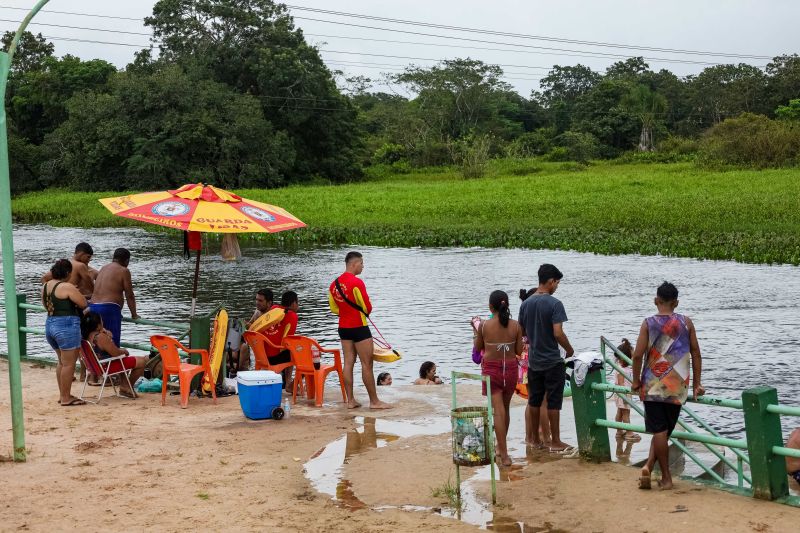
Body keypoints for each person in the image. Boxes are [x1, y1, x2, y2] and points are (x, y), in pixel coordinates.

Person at [632, 281, 704, 491]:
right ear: (676, 303)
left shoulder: (648, 323)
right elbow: (696, 353)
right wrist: (697, 384)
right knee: (664, 431)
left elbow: (637, 355)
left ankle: (665, 477)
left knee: (659, 431)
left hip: (652, 384)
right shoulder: (686, 322)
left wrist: (635, 381)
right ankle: (649, 467)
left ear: (656, 301)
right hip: (677, 385)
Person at [518, 264, 574, 453]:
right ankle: (555, 441)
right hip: (552, 360)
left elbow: (522, 332)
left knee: (534, 400)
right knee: (553, 401)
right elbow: (558, 333)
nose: (556, 286)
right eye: (557, 283)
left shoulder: (526, 304)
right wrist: (570, 349)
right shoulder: (555, 304)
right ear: (551, 281)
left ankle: (535, 439)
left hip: (534, 362)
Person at [328, 251, 391, 410]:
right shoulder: (356, 282)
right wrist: (357, 312)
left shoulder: (333, 284)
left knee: (348, 362)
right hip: (359, 327)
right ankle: (374, 402)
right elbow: (367, 307)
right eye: (361, 263)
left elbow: (334, 308)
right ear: (354, 264)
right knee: (366, 364)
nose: (363, 266)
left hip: (343, 327)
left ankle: (350, 401)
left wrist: (346, 312)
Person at [474, 290, 524, 467]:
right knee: (505, 409)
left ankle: (504, 454)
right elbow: (519, 351)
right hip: (510, 369)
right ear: (507, 305)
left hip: (492, 370)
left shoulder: (484, 326)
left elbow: (478, 348)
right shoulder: (516, 326)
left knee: (497, 411)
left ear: (490, 307)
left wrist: (475, 331)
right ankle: (500, 448)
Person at [43, 259, 88, 406]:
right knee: (69, 364)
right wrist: (76, 291)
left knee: (61, 362)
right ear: (68, 273)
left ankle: (63, 394)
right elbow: (83, 303)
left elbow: (46, 305)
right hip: (66, 326)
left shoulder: (46, 285)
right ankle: (66, 398)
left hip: (50, 323)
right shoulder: (67, 286)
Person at [80, 311, 147, 399]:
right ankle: (127, 386)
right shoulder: (100, 337)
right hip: (106, 367)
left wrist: (107, 336)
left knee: (123, 359)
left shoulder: (84, 337)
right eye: (101, 321)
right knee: (141, 361)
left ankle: (124, 385)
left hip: (94, 367)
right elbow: (115, 353)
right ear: (98, 325)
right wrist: (124, 351)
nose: (103, 322)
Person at [518, 288, 552, 448]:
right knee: (543, 401)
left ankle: (529, 437)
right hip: (537, 364)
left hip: (524, 367)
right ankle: (546, 438)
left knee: (532, 402)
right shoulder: (538, 323)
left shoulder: (522, 321)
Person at [90, 248, 138, 348]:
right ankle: (113, 358)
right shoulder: (124, 270)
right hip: (109, 309)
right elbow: (129, 295)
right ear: (127, 261)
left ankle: (96, 358)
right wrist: (134, 315)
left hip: (93, 307)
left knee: (95, 342)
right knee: (111, 342)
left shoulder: (103, 268)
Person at [261, 291, 299, 390]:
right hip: (275, 357)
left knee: (290, 351)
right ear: (293, 303)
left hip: (263, 355)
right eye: (297, 303)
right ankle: (290, 383)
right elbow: (288, 341)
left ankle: (287, 382)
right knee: (303, 355)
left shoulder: (273, 308)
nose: (298, 306)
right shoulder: (292, 316)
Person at [237, 288, 274, 371]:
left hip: (270, 351)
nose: (257, 302)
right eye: (256, 299)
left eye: (260, 301)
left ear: (269, 303)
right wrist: (243, 324)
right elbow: (250, 325)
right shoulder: (257, 311)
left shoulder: (274, 316)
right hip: (258, 350)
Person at [612, 339, 641, 442]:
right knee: (626, 413)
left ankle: (619, 432)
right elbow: (621, 384)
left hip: (622, 394)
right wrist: (624, 397)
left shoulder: (626, 367)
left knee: (620, 412)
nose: (633, 356)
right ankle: (629, 433)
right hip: (623, 394)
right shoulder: (621, 369)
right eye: (632, 354)